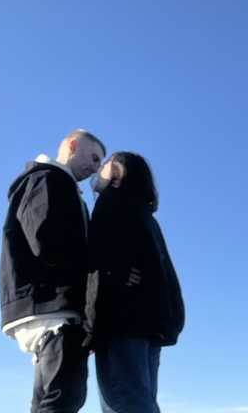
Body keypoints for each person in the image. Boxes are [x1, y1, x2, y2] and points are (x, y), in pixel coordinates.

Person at [0, 129, 106, 413]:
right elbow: (46, 238)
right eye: (94, 157)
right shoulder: (50, 179)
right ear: (73, 145)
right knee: (64, 398)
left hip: (44, 306)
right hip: (53, 306)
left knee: (49, 400)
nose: (96, 167)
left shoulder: (54, 183)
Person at [85, 152, 185, 413]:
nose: (98, 169)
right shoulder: (144, 214)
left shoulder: (111, 203)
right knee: (141, 401)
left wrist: (90, 329)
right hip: (150, 325)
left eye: (105, 164)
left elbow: (99, 263)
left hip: (121, 322)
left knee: (125, 403)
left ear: (118, 174)